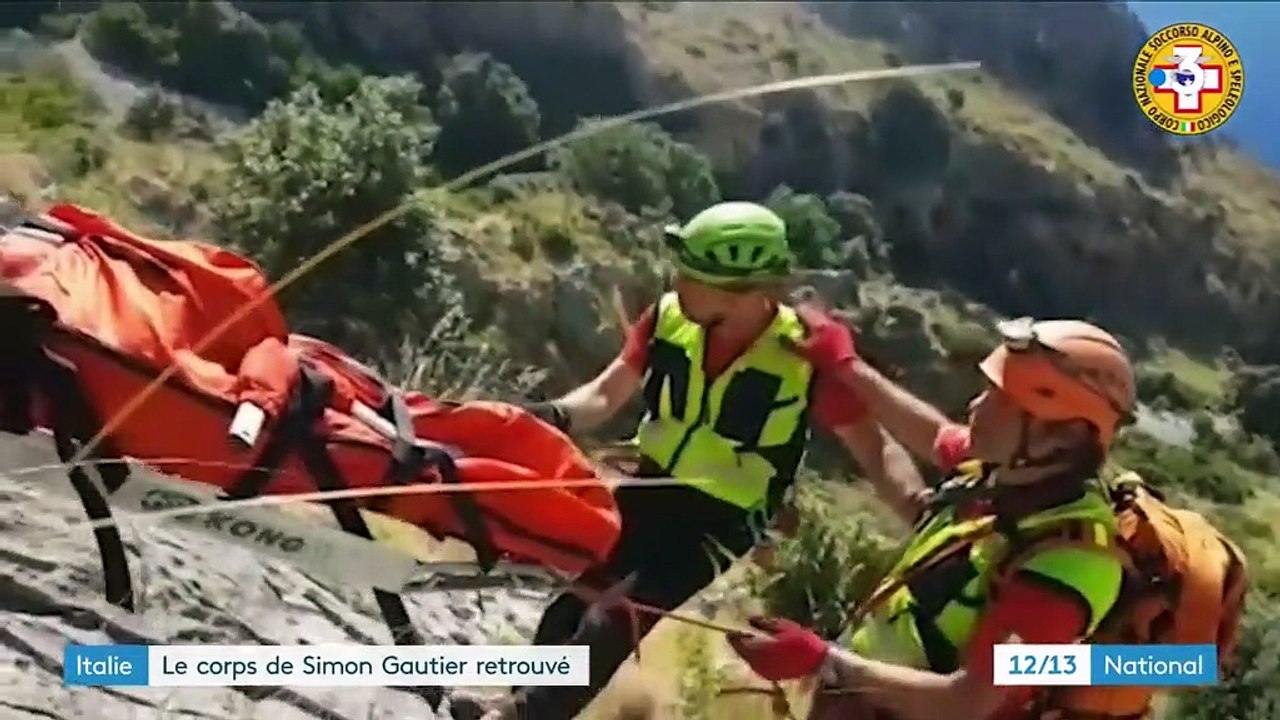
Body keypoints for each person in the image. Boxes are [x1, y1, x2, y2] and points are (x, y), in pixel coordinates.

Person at [448, 201, 928, 720]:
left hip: (721, 518)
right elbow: (607, 395)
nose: (677, 282)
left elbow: (874, 448)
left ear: (747, 291)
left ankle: (523, 717)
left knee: (616, 619)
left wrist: (920, 507)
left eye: (693, 275)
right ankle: (518, 705)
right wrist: (545, 416)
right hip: (651, 486)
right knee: (572, 605)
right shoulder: (668, 318)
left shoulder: (804, 354)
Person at [727, 310, 1138, 720]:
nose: (975, 405)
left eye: (1000, 399)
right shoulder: (1008, 475)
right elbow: (931, 453)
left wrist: (822, 661)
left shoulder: (1072, 563)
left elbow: (969, 700)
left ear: (1057, 434)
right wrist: (849, 386)